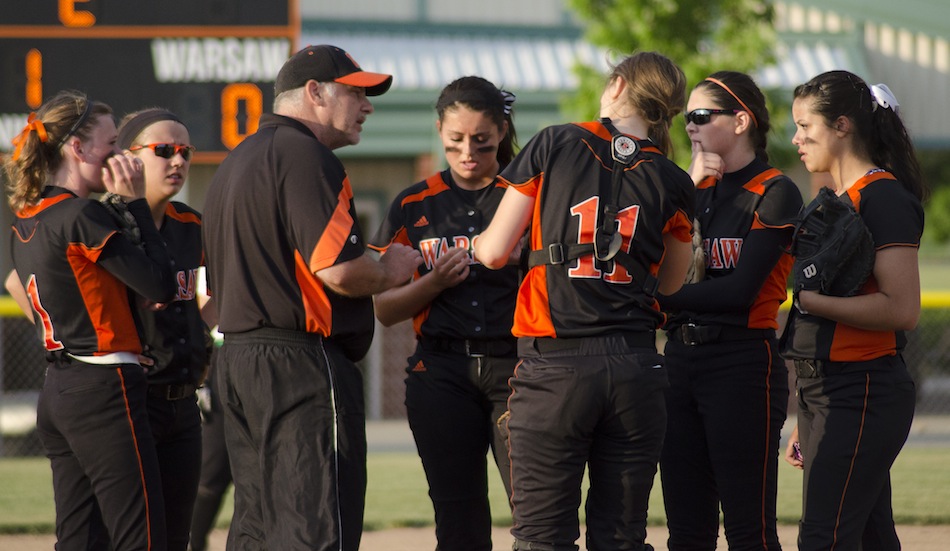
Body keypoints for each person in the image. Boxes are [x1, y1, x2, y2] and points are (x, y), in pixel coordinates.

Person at [201, 44, 422, 550]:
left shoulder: (234, 163)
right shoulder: (305, 155)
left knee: (257, 524)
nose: (367, 105)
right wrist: (390, 269)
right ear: (315, 92)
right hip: (298, 365)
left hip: (237, 360)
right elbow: (341, 272)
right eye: (357, 92)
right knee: (315, 524)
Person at [474, 51, 695, 551]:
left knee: (542, 539)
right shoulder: (674, 178)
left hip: (556, 364)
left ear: (616, 86)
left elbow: (492, 252)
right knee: (620, 538)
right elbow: (673, 285)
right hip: (636, 368)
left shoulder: (556, 140)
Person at [4, 90, 175, 550]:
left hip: (58, 392)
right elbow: (159, 286)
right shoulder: (83, 214)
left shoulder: (29, 217)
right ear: (77, 149)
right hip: (104, 386)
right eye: (112, 143)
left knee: (78, 540)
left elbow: (93, 290)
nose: (120, 155)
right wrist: (137, 204)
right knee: (143, 538)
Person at [368, 75, 519, 551]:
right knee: (459, 518)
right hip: (442, 370)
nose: (468, 152)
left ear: (502, 132)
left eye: (482, 141)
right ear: (438, 132)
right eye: (455, 141)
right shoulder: (414, 203)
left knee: (538, 512)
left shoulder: (524, 197)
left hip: (519, 368)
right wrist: (433, 282)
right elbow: (384, 309)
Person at [656, 71, 803, 550]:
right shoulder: (689, 187)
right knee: (686, 530)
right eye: (686, 118)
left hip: (741, 362)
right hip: (679, 360)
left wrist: (656, 297)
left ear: (741, 121)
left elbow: (740, 292)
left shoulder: (775, 190)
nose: (690, 126)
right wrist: (686, 188)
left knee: (749, 530)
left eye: (701, 115)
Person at [781, 70, 925, 550]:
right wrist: (806, 410)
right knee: (868, 534)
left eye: (806, 126)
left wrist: (810, 299)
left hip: (862, 387)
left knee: (824, 538)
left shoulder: (881, 196)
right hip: (827, 389)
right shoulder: (837, 201)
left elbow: (902, 309)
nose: (796, 139)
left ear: (842, 126)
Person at [113, 108, 212, 551]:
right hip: (129, 403)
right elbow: (20, 280)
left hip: (183, 403)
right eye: (164, 150)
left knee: (177, 536)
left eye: (185, 152)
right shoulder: (105, 222)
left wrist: (205, 339)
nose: (178, 161)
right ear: (128, 157)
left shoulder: (190, 224)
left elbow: (218, 291)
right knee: (133, 536)